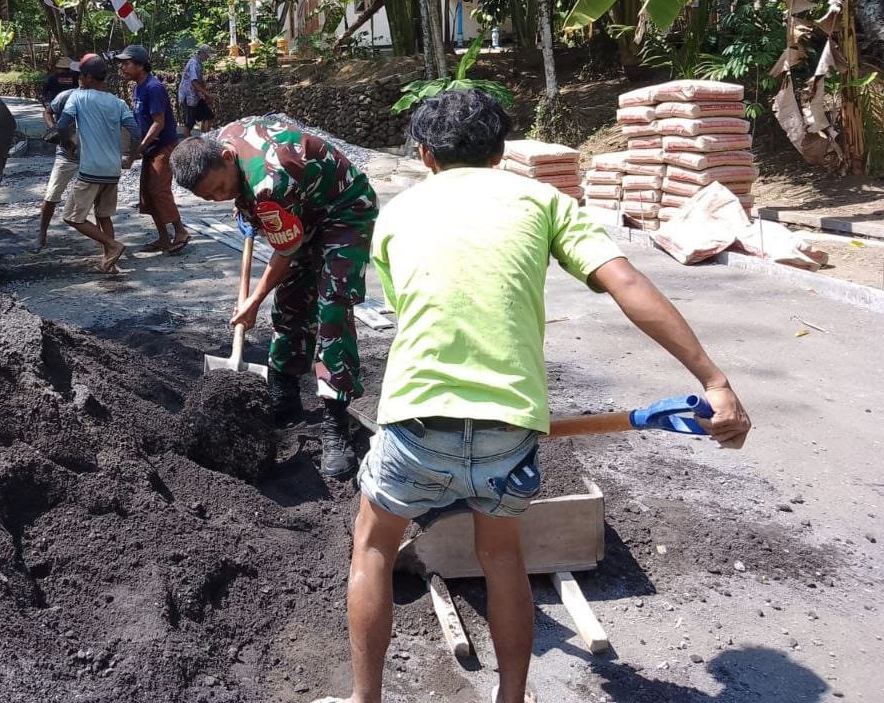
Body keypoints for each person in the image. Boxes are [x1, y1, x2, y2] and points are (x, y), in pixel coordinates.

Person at [317, 89, 752, 703]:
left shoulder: (397, 213)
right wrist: (714, 380)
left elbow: (413, 305)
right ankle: (512, 698)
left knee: (373, 545)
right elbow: (626, 282)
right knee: (502, 558)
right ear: (500, 152)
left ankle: (365, 700)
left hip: (417, 420)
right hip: (509, 428)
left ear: (424, 154)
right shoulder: (543, 200)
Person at [170, 117, 377, 479]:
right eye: (209, 197)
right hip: (299, 208)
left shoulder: (269, 185)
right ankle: (285, 395)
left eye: (220, 188)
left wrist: (254, 299)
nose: (219, 197)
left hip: (344, 210)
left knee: (332, 308)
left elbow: (286, 251)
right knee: (292, 300)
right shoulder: (226, 139)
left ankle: (335, 420)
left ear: (227, 158)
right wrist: (243, 202)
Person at [53, 56, 140, 273]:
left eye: (81, 75)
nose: (79, 79)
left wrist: (70, 146)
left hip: (90, 170)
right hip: (112, 170)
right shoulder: (118, 103)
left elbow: (62, 126)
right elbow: (136, 132)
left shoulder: (78, 97)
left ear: (89, 77)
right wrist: (130, 157)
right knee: (103, 215)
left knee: (72, 217)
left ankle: (113, 245)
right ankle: (109, 263)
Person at [117, 45, 191, 254]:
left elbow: (158, 123)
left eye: (126, 63)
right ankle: (164, 238)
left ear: (140, 65)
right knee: (148, 192)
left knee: (159, 189)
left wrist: (140, 148)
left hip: (163, 146)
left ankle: (180, 231)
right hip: (151, 147)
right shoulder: (137, 88)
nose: (122, 68)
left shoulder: (153, 87)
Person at [31, 56, 84, 253]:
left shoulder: (98, 98)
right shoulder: (65, 93)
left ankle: (103, 240)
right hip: (66, 151)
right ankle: (42, 233)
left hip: (88, 151)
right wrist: (55, 129)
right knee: (52, 194)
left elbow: (45, 102)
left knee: (96, 195)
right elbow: (48, 109)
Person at [177, 45, 215, 135]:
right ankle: (187, 140)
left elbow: (200, 81)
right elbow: (194, 82)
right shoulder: (193, 63)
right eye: (206, 56)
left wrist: (205, 95)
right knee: (189, 123)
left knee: (208, 116)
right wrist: (207, 94)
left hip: (195, 96)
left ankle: (205, 138)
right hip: (188, 96)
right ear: (201, 53)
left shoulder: (199, 63)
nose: (207, 58)